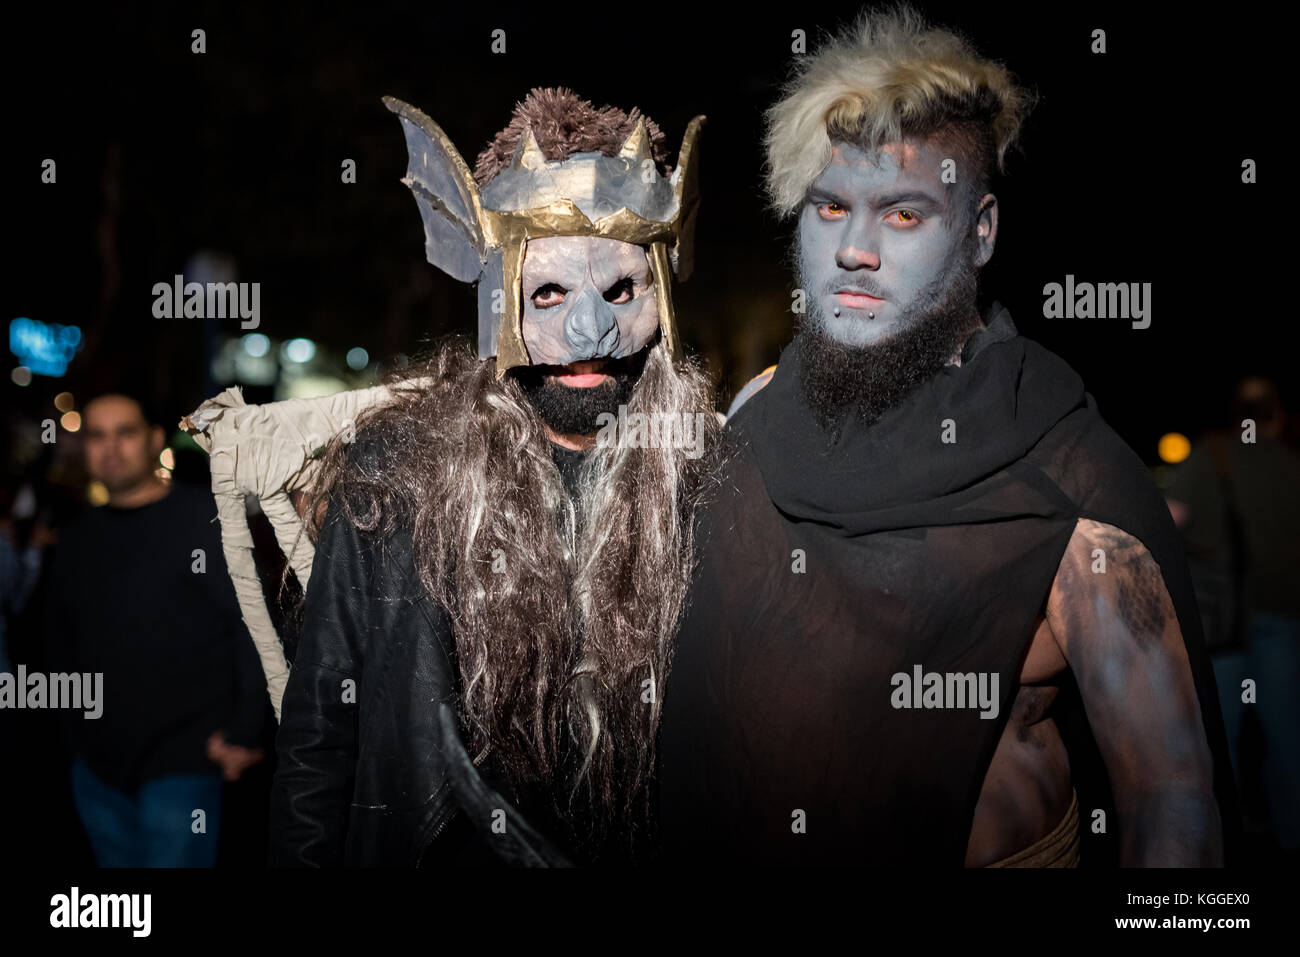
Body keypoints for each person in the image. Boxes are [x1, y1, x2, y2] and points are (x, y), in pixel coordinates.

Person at [657, 5, 1236, 867]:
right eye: (829, 207)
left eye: (902, 215)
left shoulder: (1068, 483)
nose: (854, 248)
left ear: (981, 229)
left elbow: (1174, 811)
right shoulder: (755, 414)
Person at [269, 88, 719, 866]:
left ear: (662, 290)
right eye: (548, 292)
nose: (589, 333)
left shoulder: (706, 480)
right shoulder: (395, 475)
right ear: (495, 295)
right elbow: (319, 738)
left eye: (619, 291)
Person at [45, 393, 266, 867]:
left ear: (153, 439)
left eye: (124, 432)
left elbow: (253, 624)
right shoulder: (77, 537)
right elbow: (60, 642)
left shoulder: (203, 522)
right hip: (97, 768)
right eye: (97, 436)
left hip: (184, 761)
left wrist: (247, 731)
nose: (110, 447)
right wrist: (71, 736)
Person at [1167, 376, 1300, 853]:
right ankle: (1290, 835)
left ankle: (1225, 844)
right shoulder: (1291, 461)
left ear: (1237, 414)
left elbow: (1169, 520)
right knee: (1287, 741)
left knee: (1218, 741)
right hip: (1283, 622)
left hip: (1223, 625)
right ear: (1279, 415)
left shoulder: (1215, 456)